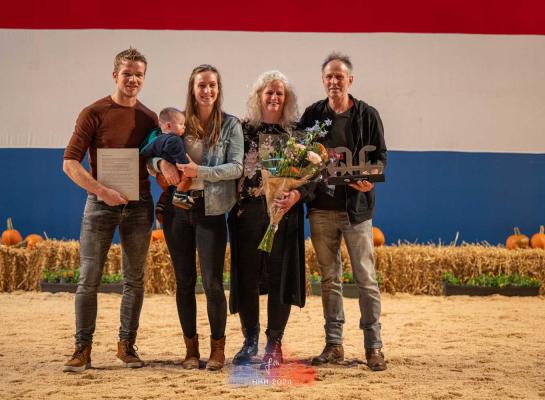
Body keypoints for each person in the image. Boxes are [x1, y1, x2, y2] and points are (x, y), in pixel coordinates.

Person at [62, 48, 157, 372]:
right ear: (115, 75)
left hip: (140, 205)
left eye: (139, 74)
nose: (133, 79)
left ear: (144, 79)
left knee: (135, 280)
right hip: (100, 205)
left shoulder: (149, 118)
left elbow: (155, 161)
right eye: (127, 73)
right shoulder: (93, 112)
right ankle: (82, 349)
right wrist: (101, 190)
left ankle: (126, 346)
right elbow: (69, 162)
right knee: (88, 279)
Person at [297, 52, 388, 371]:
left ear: (350, 80)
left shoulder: (367, 115)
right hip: (321, 210)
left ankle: (373, 346)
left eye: (340, 76)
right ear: (323, 81)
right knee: (330, 279)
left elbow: (380, 157)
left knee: (366, 279)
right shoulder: (311, 115)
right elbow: (298, 158)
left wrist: (370, 181)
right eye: (329, 77)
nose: (334, 81)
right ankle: (334, 344)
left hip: (357, 211)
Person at [149, 64, 243, 371]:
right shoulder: (178, 122)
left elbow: (236, 168)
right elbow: (150, 151)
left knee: (213, 282)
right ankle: (191, 349)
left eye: (212, 85)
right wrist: (160, 163)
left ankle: (218, 349)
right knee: (184, 281)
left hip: (211, 209)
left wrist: (200, 172)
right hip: (179, 212)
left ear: (219, 89)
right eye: (201, 85)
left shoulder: (230, 125)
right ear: (193, 88)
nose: (207, 91)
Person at [228, 71, 306, 367]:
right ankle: (250, 341)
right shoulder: (241, 129)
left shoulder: (297, 135)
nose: (274, 98)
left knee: (279, 278)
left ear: (286, 99)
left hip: (284, 216)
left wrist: (297, 196)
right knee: (247, 277)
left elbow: (313, 177)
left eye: (280, 94)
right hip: (247, 214)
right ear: (258, 96)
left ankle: (274, 343)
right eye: (268, 93)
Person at [140, 107, 193, 222]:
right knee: (188, 178)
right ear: (169, 126)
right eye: (181, 124)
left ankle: (163, 201)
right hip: (176, 173)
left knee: (168, 190)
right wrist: (187, 166)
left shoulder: (155, 137)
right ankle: (180, 196)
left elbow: (146, 155)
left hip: (161, 177)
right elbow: (180, 159)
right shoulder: (174, 140)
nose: (184, 127)